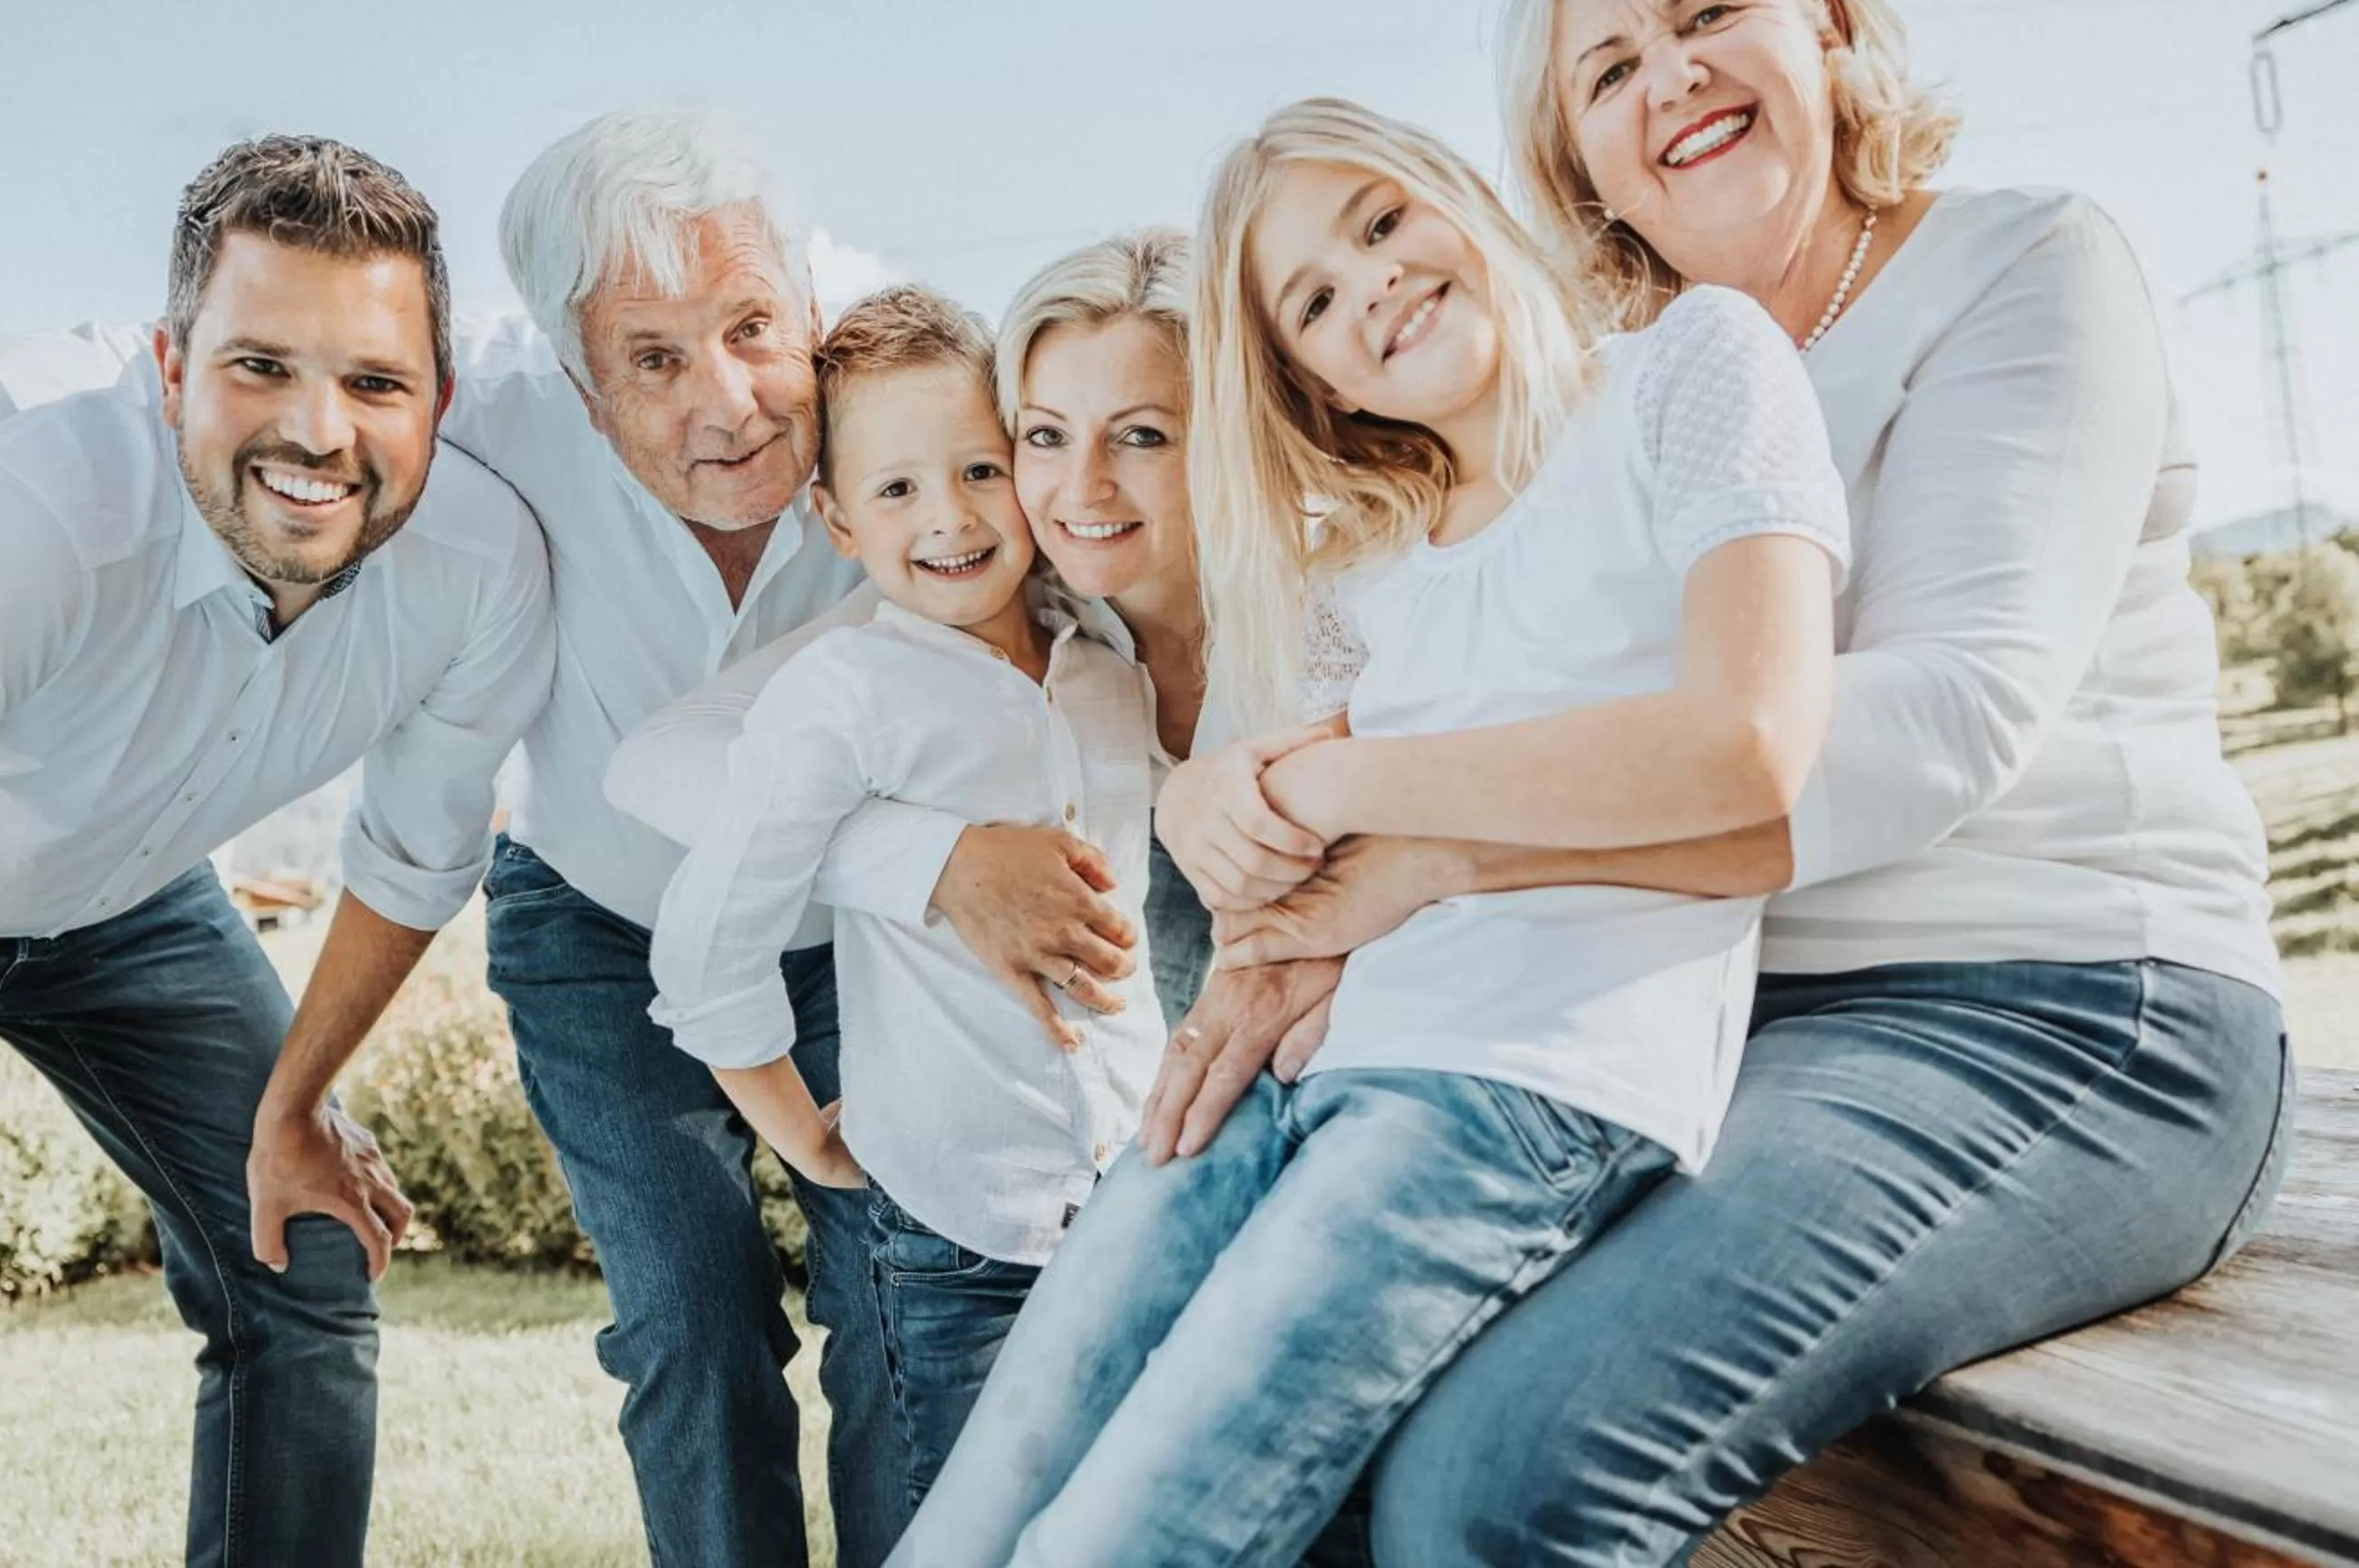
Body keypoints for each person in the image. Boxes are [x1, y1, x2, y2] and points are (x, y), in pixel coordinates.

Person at [0, 112, 1139, 1568]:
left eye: (755, 331)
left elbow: (1085, 442)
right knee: (692, 1321)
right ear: (577, 378)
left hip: (855, 950)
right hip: (600, 922)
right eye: (651, 359)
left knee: (901, 1296)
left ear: (806, 306)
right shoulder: (483, 408)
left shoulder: (895, 404)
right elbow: (183, 360)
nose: (729, 404)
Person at [1175, 0, 2297, 1565]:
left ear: (1826, 26)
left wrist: (1436, 851)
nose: (1671, 80)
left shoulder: (2026, 265)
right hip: (1712, 1017)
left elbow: (1941, 719)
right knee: (1307, 1385)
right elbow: (1468, 699)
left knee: (1501, 1481)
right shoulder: (1610, 402)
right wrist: (1238, 802)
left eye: (1709, 15)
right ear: (1574, 170)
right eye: (1608, 71)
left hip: (2066, 1010)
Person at [897, 96, 1852, 1566]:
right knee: (989, 1489)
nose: (1376, 287)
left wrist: (1335, 796)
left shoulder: (1688, 369)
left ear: (1456, 191)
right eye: (1317, 301)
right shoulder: (1369, 544)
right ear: (1305, 374)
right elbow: (1277, 826)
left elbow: (1742, 774)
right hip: (1307, 1055)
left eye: (1382, 223)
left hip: (1515, 1080)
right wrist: (1223, 806)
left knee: (1119, 1539)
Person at [0, 136, 557, 1568]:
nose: (319, 433)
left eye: (375, 383)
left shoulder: (488, 566)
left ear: (440, 402)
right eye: (257, 367)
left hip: (131, 910)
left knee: (304, 1253)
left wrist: (297, 1103)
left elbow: (410, 855)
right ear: (166, 368)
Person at [643, 285, 1168, 1508]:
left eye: (984, 468)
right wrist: (803, 1134)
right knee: (963, 1530)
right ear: (833, 516)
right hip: (960, 1238)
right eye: (897, 489)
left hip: (1138, 1197)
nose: (951, 518)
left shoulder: (1106, 658)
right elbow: (710, 947)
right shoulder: (845, 693)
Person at [610, 228, 1253, 1034]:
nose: (1083, 489)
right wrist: (941, 863)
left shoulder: (1324, 595)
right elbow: (653, 764)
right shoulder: (1003, 596)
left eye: (1142, 435)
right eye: (1046, 436)